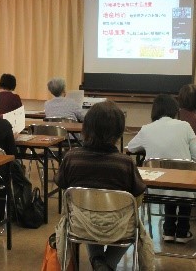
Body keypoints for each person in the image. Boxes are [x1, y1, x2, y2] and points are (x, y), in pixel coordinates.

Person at [55, 101, 152, 271]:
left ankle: (98, 260)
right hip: (118, 227)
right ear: (119, 132)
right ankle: (108, 264)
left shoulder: (71, 158)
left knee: (89, 213)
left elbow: (63, 187)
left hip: (80, 224)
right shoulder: (125, 163)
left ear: (86, 128)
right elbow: (137, 199)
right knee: (132, 223)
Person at [128, 94, 196, 244]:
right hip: (186, 188)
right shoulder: (185, 126)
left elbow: (131, 147)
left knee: (166, 180)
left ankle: (168, 230)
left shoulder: (146, 129)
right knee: (182, 180)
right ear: (175, 109)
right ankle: (182, 232)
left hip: (155, 188)